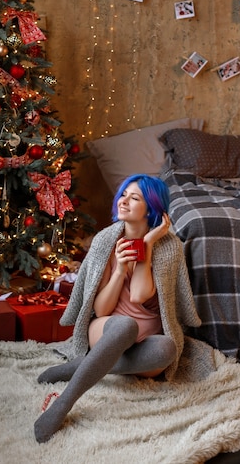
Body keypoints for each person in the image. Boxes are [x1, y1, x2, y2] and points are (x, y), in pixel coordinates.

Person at [34, 173, 202, 443]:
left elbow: (138, 295)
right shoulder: (105, 241)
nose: (124, 200)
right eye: (123, 194)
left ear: (153, 209)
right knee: (126, 324)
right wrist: (120, 268)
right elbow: (101, 310)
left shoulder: (170, 247)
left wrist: (146, 246)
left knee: (168, 349)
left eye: (134, 198)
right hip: (108, 329)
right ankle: (63, 403)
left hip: (146, 345)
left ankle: (82, 366)